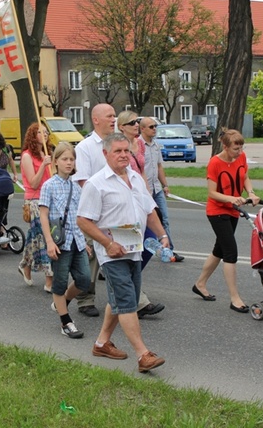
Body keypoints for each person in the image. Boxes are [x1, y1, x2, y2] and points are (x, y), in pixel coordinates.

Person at [77, 133, 168, 373]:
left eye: (126, 151)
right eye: (117, 151)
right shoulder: (96, 184)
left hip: (133, 249)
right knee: (128, 301)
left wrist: (163, 236)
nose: (123, 155)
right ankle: (143, 355)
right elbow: (83, 221)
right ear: (105, 154)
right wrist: (107, 244)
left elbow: (150, 211)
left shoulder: (136, 179)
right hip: (112, 253)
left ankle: (102, 343)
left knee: (121, 298)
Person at [74, 103, 164, 319]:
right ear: (96, 119)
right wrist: (103, 198)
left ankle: (137, 301)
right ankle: (84, 298)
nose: (114, 119)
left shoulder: (120, 142)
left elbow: (130, 172)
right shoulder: (85, 147)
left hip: (120, 213)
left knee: (127, 257)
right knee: (92, 261)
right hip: (96, 211)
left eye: (115, 115)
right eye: (109, 116)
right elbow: (83, 180)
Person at [192, 129, 259, 313]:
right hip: (217, 211)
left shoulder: (241, 157)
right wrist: (231, 198)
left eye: (241, 148)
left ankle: (200, 284)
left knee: (219, 249)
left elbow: (245, 176)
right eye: (235, 149)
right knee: (230, 252)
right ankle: (235, 298)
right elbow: (212, 193)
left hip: (234, 211)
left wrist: (250, 193)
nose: (239, 152)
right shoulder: (215, 163)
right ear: (225, 146)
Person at [39, 142, 90, 339]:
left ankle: (61, 303)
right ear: (56, 162)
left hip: (76, 239)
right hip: (60, 241)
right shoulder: (48, 185)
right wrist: (50, 242)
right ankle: (66, 321)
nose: (69, 163)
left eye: (71, 159)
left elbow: (78, 215)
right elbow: (43, 215)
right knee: (59, 283)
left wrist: (84, 240)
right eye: (65, 159)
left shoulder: (75, 187)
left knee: (84, 279)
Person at [139, 116, 184, 262]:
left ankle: (168, 250)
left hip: (156, 188)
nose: (154, 130)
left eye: (155, 127)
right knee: (142, 221)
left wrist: (165, 185)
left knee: (164, 218)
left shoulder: (156, 145)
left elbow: (159, 166)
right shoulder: (138, 145)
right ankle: (138, 249)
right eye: (151, 127)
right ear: (143, 129)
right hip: (144, 191)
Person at [17, 123, 53, 292]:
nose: (44, 134)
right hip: (35, 200)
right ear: (33, 135)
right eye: (40, 132)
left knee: (35, 237)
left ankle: (25, 264)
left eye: (46, 132)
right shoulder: (27, 156)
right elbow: (33, 182)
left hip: (49, 199)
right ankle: (49, 279)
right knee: (46, 239)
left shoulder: (48, 153)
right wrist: (44, 166)